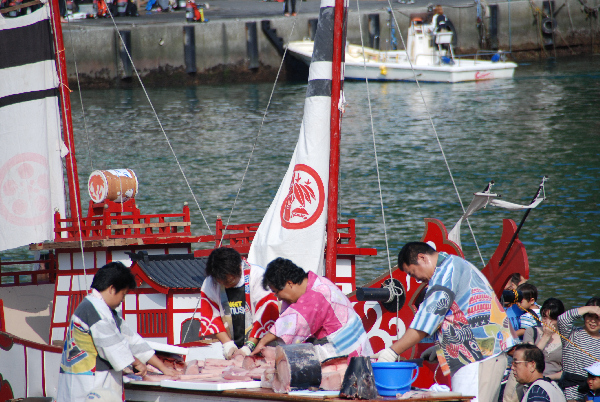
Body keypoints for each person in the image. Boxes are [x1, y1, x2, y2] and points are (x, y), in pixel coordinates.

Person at [377, 242, 519, 402]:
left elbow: (425, 322)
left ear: (422, 258)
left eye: (413, 273)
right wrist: (441, 346)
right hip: (487, 352)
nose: (417, 280)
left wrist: (392, 352)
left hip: (478, 356)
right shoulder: (456, 263)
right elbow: (461, 312)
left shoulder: (444, 274)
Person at [57, 262, 177, 401]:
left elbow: (132, 340)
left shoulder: (104, 310)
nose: (123, 300)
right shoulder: (94, 311)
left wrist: (163, 368)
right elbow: (111, 346)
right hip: (87, 384)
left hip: (87, 382)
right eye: (123, 294)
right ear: (112, 289)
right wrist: (136, 362)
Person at [251, 257, 373, 361]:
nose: (278, 298)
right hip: (356, 346)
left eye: (277, 292)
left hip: (349, 355)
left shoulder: (316, 294)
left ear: (289, 283)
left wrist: (262, 343)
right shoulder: (318, 281)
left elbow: (292, 321)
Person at [198, 247, 280, 359]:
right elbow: (211, 316)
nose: (226, 285)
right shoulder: (210, 281)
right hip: (230, 342)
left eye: (229, 281)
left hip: (260, 343)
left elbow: (265, 315)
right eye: (221, 282)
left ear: (239, 268)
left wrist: (248, 347)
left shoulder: (259, 276)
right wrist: (227, 344)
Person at [558, 297, 600, 402]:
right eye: (590, 316)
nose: (593, 321)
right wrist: (588, 308)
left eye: (597, 317)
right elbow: (562, 319)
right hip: (570, 392)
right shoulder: (572, 334)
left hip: (594, 395)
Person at [524, 298, 565, 380]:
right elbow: (528, 358)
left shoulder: (566, 337)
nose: (547, 322)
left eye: (552, 318)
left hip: (555, 382)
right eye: (545, 317)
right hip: (530, 380)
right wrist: (545, 336)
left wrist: (546, 378)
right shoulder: (531, 332)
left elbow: (568, 371)